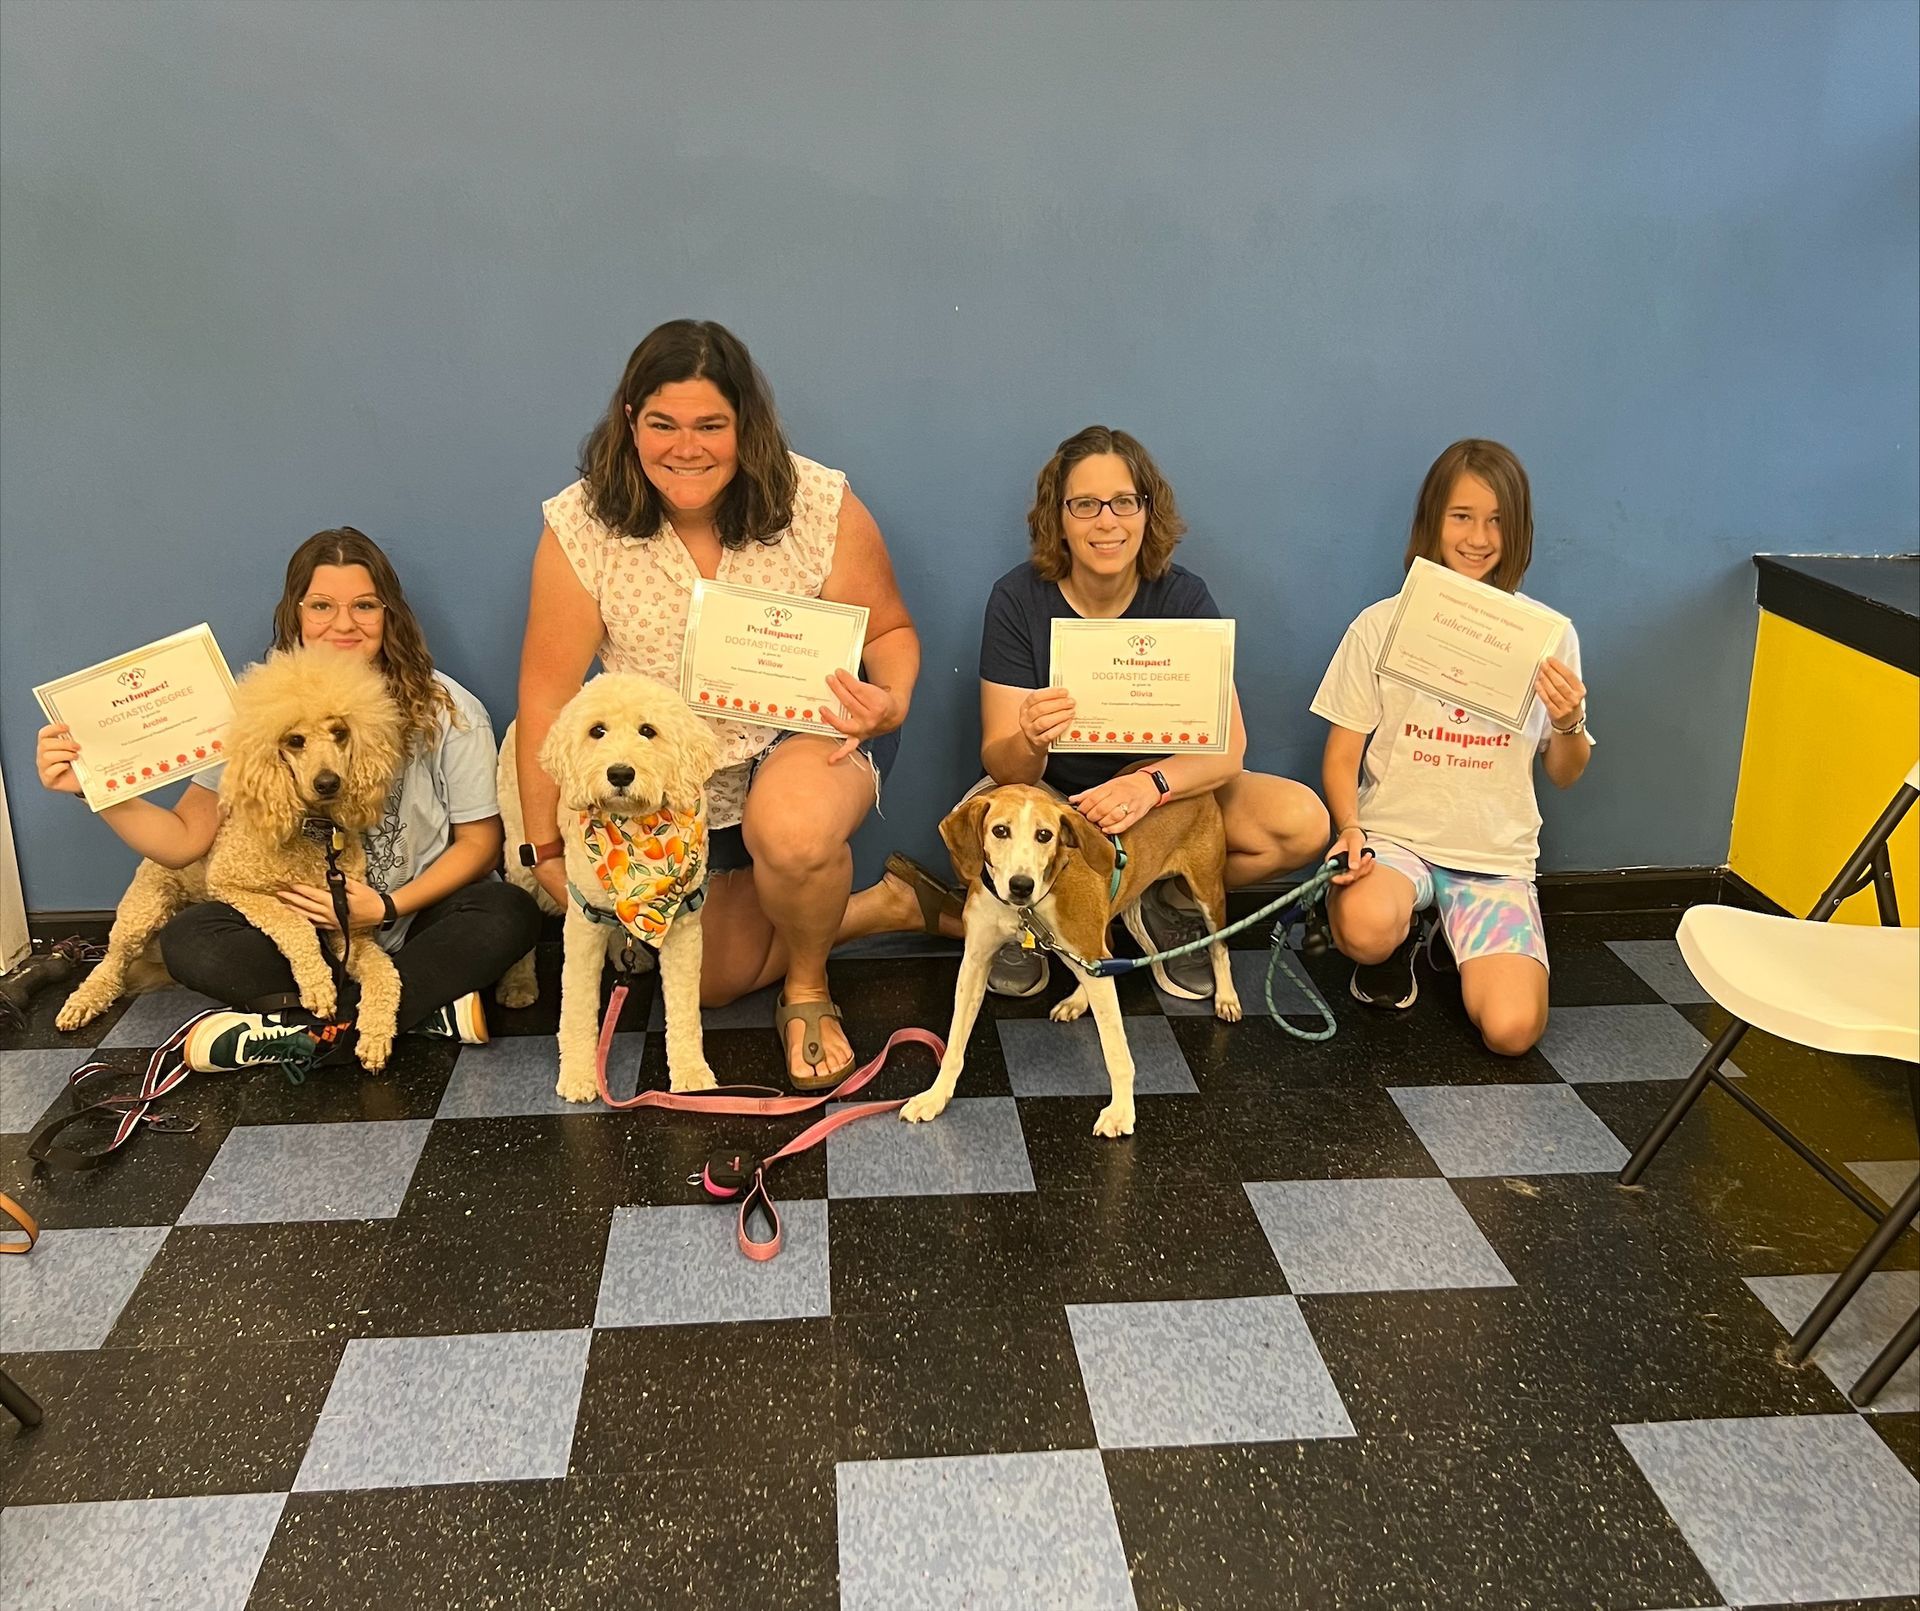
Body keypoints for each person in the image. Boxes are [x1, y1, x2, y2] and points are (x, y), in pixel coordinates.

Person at [516, 320, 919, 1091]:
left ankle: (807, 989)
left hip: (809, 733)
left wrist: (890, 699)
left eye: (711, 425)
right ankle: (879, 906)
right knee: (716, 979)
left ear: (746, 427)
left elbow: (893, 631)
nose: (686, 446)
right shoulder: (580, 524)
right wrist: (545, 844)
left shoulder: (818, 501)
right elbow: (546, 693)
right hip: (682, 788)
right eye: (662, 424)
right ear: (630, 420)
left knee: (793, 833)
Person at [34, 527, 540, 1070]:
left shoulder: (449, 709)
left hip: (415, 921)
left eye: (364, 606)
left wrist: (387, 905)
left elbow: (481, 843)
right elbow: (182, 844)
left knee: (508, 911)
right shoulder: (257, 710)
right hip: (298, 932)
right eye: (322, 605)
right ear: (296, 614)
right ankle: (409, 1016)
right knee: (191, 937)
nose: (343, 624)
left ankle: (301, 1030)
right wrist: (99, 790)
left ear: (389, 614)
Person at [886, 424, 1329, 1000]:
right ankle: (1033, 928)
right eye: (1085, 504)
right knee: (968, 833)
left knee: (1303, 822)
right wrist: (1030, 738)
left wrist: (1153, 784)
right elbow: (1001, 762)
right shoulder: (1019, 599)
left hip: (1157, 805)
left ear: (1147, 511)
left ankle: (1162, 903)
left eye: (1124, 502)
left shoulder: (1182, 598)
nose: (1107, 521)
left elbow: (1228, 750)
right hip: (1052, 798)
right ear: (1058, 517)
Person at [1311, 438, 1592, 1055]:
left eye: (1497, 521)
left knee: (1513, 1033)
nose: (1479, 537)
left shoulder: (1548, 636)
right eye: (1461, 516)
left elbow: (1566, 772)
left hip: (1494, 860)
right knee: (1363, 930)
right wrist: (1350, 827)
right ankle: (1400, 935)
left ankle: (1451, 935)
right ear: (1432, 521)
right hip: (1395, 843)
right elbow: (1341, 754)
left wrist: (1568, 722)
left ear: (1517, 531)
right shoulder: (1380, 624)